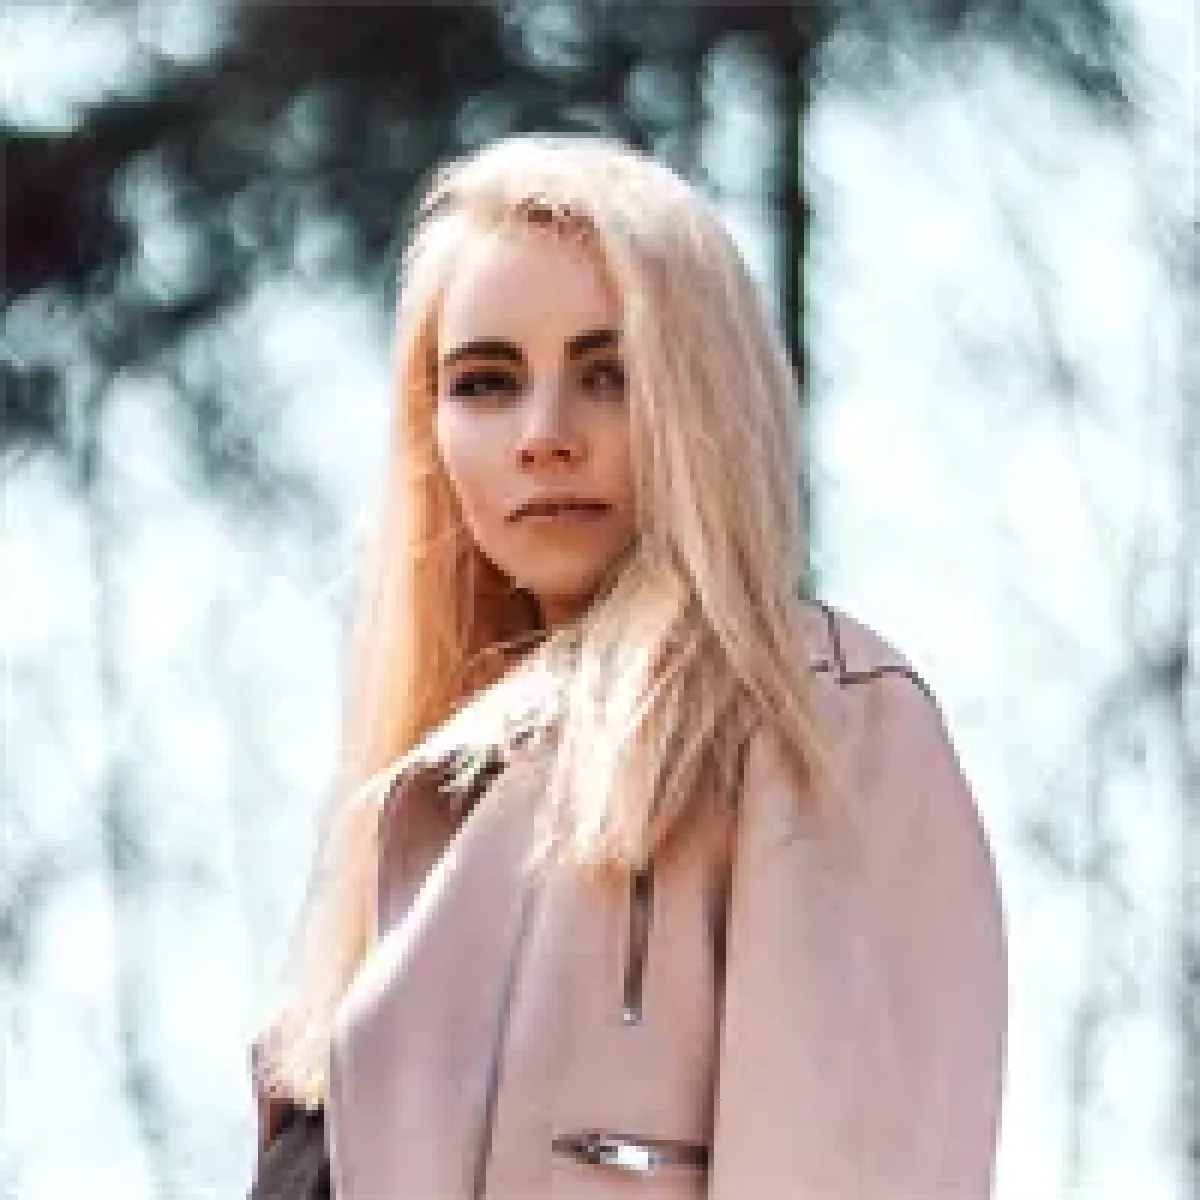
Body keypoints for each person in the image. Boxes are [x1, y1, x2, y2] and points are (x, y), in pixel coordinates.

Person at [247, 131, 1009, 1200]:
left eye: (609, 374)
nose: (545, 434)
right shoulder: (414, 837)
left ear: (704, 401)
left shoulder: (816, 716)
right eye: (485, 383)